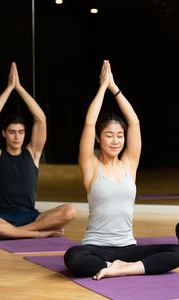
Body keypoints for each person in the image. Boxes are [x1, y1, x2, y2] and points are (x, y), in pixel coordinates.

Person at [64, 60, 179, 279]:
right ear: (98, 138)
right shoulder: (90, 166)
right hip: (95, 246)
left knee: (177, 252)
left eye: (119, 135)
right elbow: (89, 123)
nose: (115, 141)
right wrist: (101, 88)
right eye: (109, 135)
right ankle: (113, 264)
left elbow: (134, 123)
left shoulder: (130, 164)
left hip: (127, 247)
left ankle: (122, 268)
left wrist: (114, 88)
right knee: (74, 257)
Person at [0, 62, 77, 239]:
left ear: (25, 134)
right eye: (11, 132)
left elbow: (41, 119)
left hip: (32, 215)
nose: (17, 137)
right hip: (4, 217)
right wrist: (9, 89)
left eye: (21, 132)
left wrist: (20, 88)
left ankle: (21, 233)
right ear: (4, 134)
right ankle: (39, 234)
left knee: (70, 210)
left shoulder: (33, 153)